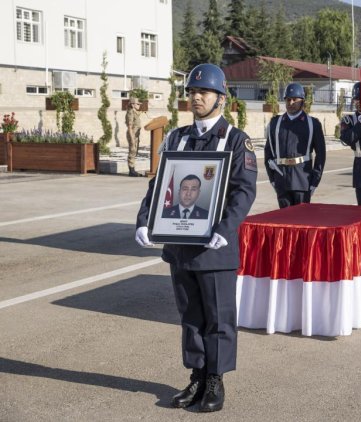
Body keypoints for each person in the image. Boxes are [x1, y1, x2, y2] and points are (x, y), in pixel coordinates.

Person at [134, 63, 258, 413]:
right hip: (180, 246)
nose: (196, 97)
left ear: (221, 97)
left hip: (215, 248)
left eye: (203, 92)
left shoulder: (235, 140)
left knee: (218, 317)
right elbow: (159, 186)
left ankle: (216, 380)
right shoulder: (176, 137)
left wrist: (225, 228)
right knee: (190, 316)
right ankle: (197, 375)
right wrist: (145, 220)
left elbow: (243, 192)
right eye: (191, 92)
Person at [264, 83, 326, 208]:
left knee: (301, 221)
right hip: (281, 179)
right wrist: (272, 179)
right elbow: (268, 152)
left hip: (302, 180)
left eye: (294, 99)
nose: (290, 102)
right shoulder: (275, 123)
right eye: (288, 99)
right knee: (284, 222)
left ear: (302, 101)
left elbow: (321, 154)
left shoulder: (312, 124)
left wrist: (315, 181)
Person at [125, 98, 142, 177]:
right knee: (132, 151)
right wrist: (132, 137)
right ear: (132, 104)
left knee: (134, 151)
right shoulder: (130, 112)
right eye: (137, 104)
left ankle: (133, 169)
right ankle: (131, 171)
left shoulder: (135, 112)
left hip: (136, 134)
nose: (139, 105)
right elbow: (130, 126)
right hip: (132, 134)